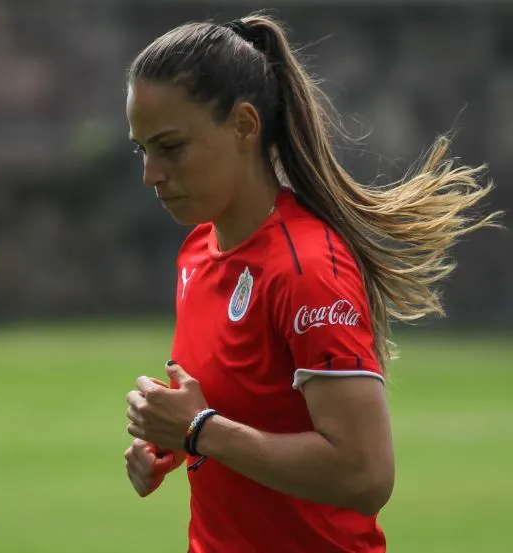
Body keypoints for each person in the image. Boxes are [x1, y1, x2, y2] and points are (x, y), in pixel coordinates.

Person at [122, 13, 503, 553]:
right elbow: (248, 415)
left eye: (171, 147)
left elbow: (365, 474)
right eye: (142, 149)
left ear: (245, 126)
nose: (150, 174)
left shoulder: (307, 269)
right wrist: (173, 440)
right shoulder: (197, 253)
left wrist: (201, 430)